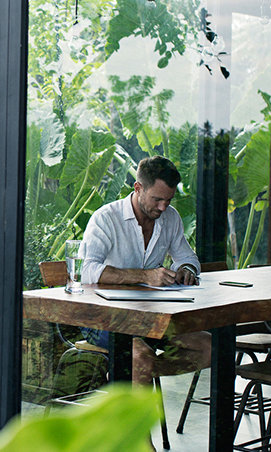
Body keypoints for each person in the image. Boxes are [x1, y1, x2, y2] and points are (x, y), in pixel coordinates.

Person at [79, 155, 211, 389]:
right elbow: (86, 271)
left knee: (209, 347)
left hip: (149, 317)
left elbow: (188, 258)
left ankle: (135, 373)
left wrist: (187, 269)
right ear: (138, 188)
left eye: (168, 200)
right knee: (139, 356)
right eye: (157, 199)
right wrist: (145, 276)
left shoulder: (170, 218)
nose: (163, 207)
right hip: (101, 318)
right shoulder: (106, 218)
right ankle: (138, 389)